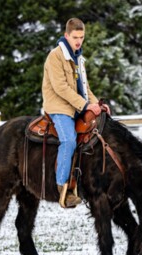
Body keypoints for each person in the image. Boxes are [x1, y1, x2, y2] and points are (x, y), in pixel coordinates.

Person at [42, 17, 100, 208]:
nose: (78, 41)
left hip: (76, 105)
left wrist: (96, 104)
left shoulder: (79, 58)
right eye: (75, 37)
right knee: (68, 140)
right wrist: (85, 105)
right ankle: (62, 188)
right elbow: (61, 88)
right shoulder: (55, 56)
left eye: (81, 37)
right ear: (66, 35)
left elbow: (85, 88)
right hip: (59, 106)